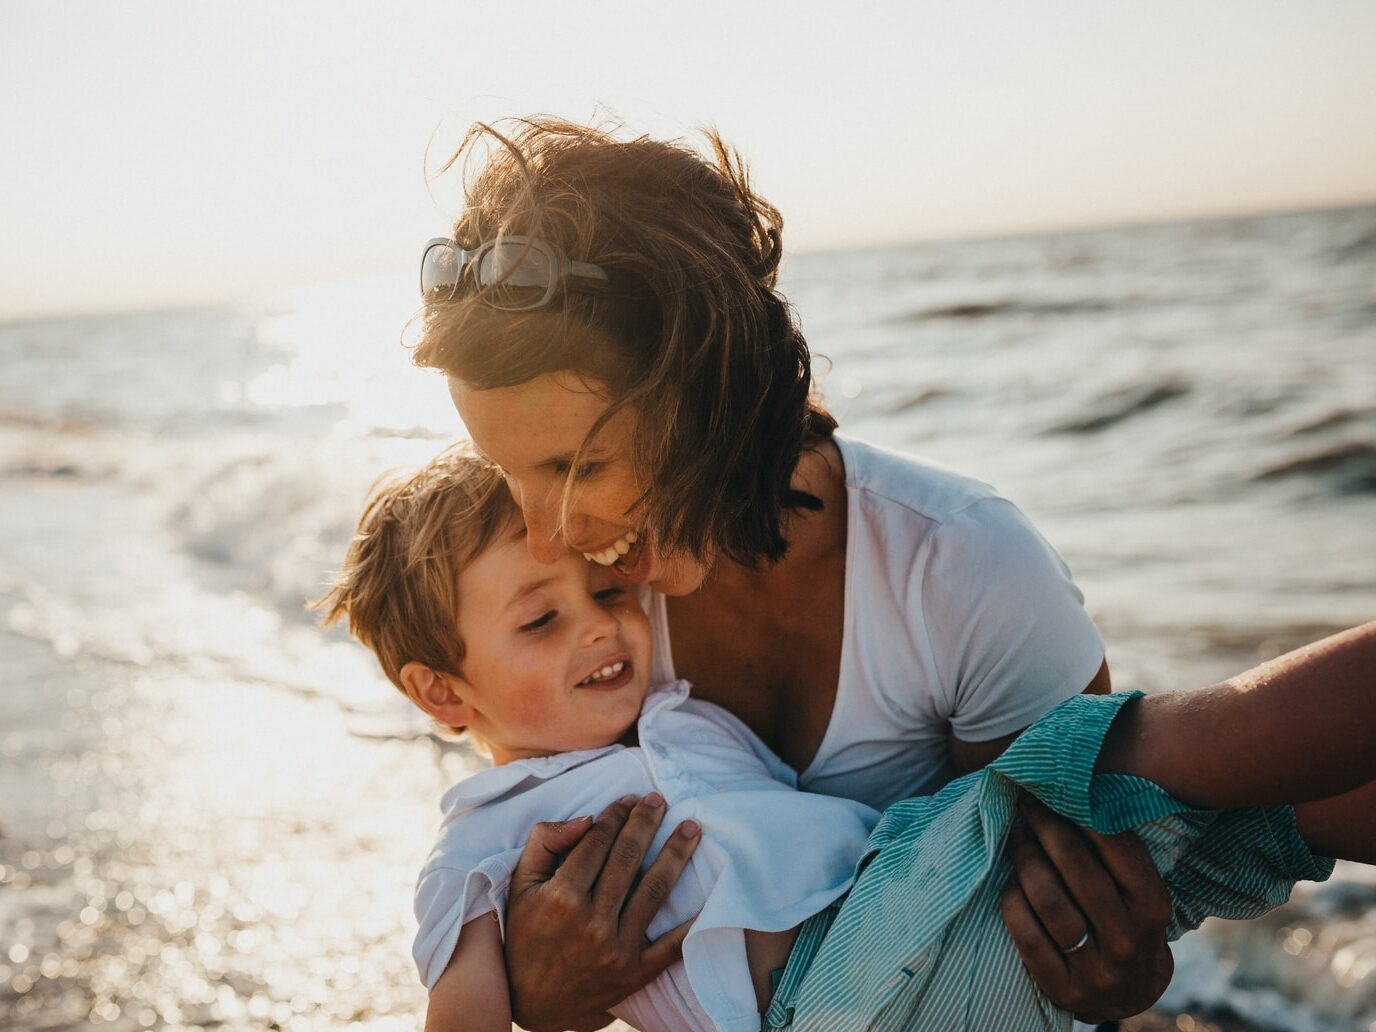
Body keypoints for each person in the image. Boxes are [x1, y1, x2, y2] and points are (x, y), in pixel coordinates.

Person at [408, 116, 1171, 1029]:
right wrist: (542, 1000)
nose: (544, 534)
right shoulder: (585, 608)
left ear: (709, 395)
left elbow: (1071, 910)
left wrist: (1122, 977)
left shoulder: (962, 569)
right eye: (509, 472)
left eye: (579, 469)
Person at [316, 446, 1376, 1032]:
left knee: (1258, 818)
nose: (601, 624)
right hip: (841, 997)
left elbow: (847, 827)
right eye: (541, 621)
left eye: (604, 588)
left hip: (938, 942)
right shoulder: (483, 838)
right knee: (1155, 754)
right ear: (443, 692)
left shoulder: (682, 713)